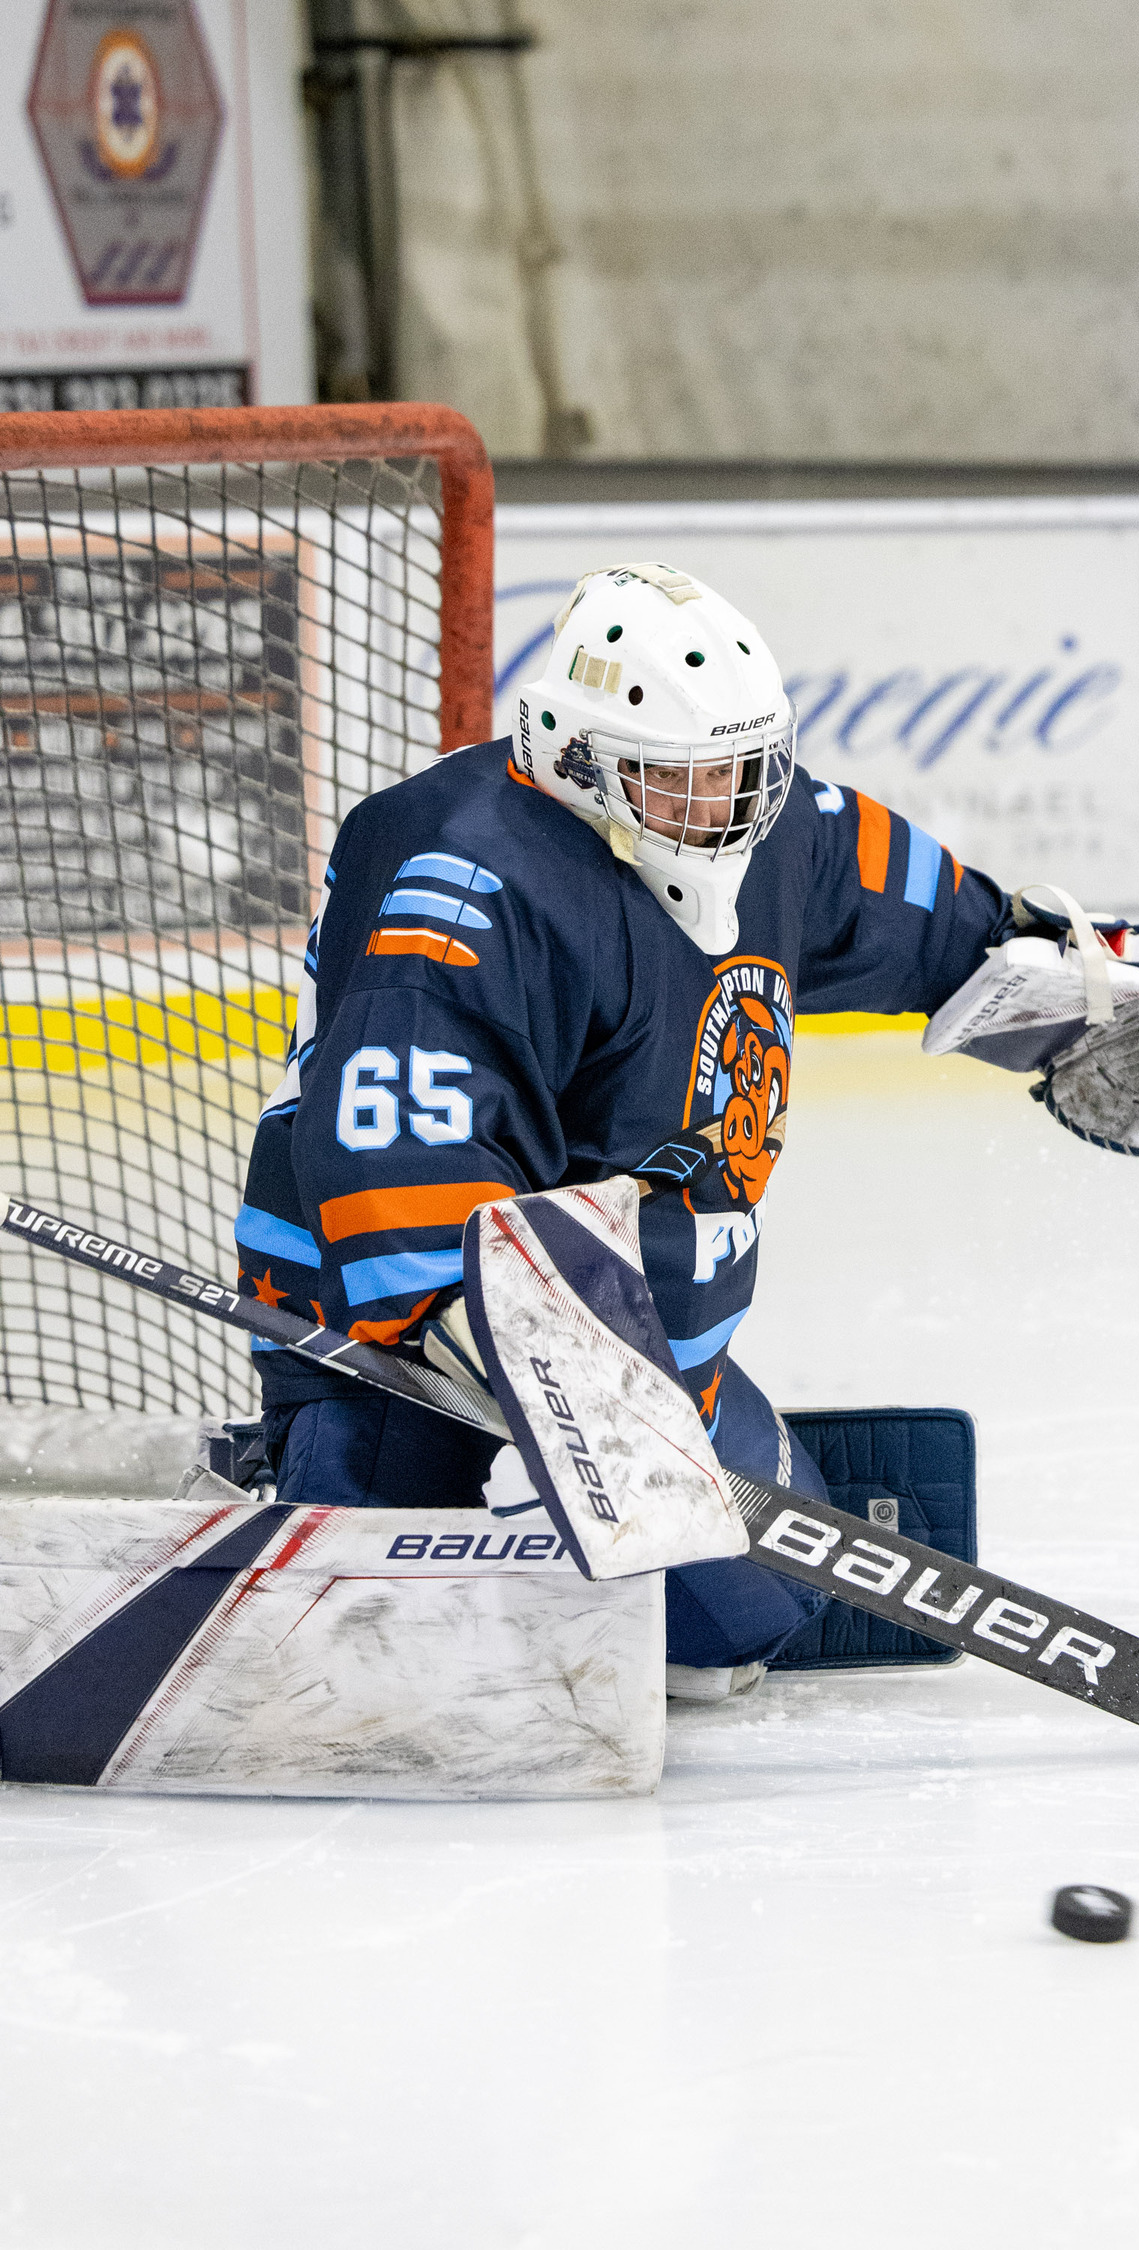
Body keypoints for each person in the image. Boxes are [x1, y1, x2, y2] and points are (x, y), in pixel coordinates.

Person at [235, 561, 1018, 1697]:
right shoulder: (464, 875)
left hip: (620, 1317)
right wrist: (498, 1340)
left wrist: (1064, 974)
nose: (731, 813)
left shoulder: (766, 826)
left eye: (749, 775)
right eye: (686, 784)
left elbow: (909, 901)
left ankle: (615, 1549)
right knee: (367, 1633)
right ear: (576, 754)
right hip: (397, 1325)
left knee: (754, 1622)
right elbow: (389, 1140)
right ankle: (310, 1472)